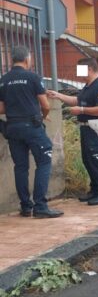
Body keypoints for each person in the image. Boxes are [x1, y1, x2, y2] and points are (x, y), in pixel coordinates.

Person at [0, 46, 63, 218]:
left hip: (13, 128)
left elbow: (1, 108)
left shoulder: (4, 80)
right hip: (32, 127)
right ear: (27, 59)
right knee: (44, 162)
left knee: (20, 167)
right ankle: (41, 207)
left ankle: (26, 207)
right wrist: (42, 116)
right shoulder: (32, 77)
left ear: (12, 60)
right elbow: (45, 105)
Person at [47, 58, 98, 205]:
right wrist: (58, 95)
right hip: (86, 127)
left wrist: (81, 110)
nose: (78, 73)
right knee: (88, 159)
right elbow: (77, 100)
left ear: (89, 68)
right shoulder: (88, 87)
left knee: (96, 159)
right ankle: (95, 190)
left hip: (96, 127)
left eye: (80, 69)